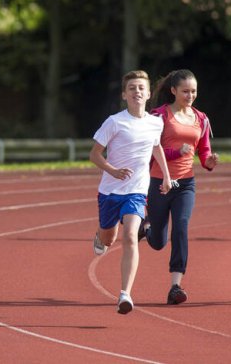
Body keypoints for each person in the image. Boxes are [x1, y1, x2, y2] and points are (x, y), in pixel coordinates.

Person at [89, 70, 172, 314]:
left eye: (141, 88)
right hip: (110, 191)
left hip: (136, 191)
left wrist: (167, 176)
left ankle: (125, 294)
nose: (137, 91)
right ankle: (100, 234)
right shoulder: (114, 122)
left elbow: (157, 148)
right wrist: (112, 171)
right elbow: (94, 154)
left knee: (130, 237)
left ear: (148, 94)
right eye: (132, 88)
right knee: (109, 238)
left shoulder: (156, 122)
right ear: (124, 95)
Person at [142, 69, 219, 305]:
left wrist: (208, 161)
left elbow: (203, 151)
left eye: (194, 91)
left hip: (186, 184)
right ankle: (145, 230)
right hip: (159, 182)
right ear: (173, 90)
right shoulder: (158, 116)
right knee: (158, 242)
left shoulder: (201, 119)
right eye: (185, 91)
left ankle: (175, 285)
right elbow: (149, 149)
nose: (190, 95)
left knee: (182, 227)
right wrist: (177, 151)